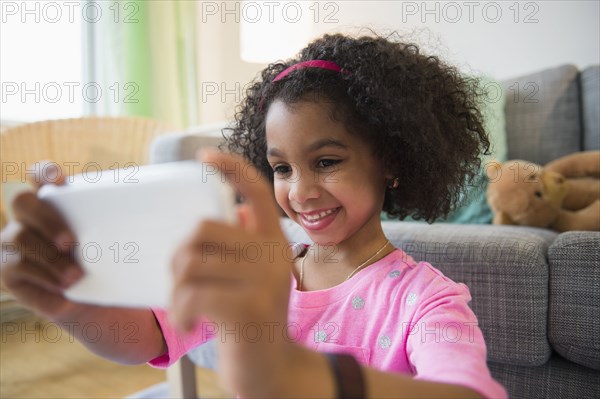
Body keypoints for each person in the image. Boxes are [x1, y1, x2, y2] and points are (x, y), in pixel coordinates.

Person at [1, 32, 507, 398]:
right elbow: (143, 337)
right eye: (281, 168)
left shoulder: (425, 300)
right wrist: (67, 304)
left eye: (327, 162)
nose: (302, 191)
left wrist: (289, 374)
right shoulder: (257, 270)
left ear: (392, 161)